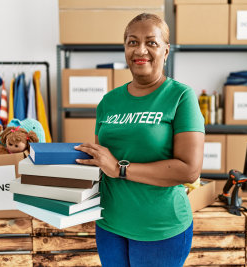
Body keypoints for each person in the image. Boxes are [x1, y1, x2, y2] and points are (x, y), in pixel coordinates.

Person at [75, 13, 205, 267]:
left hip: (160, 229)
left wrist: (119, 168)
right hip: (109, 224)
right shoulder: (109, 101)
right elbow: (101, 163)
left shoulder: (181, 97)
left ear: (166, 51)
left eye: (151, 42)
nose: (140, 50)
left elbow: (189, 170)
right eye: (132, 42)